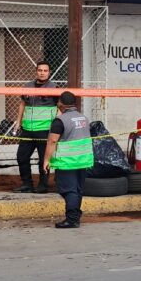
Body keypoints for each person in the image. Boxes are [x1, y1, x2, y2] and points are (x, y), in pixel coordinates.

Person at [43, 91, 94, 228]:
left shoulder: (60, 121)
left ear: (61, 103)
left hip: (67, 162)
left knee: (68, 190)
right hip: (83, 160)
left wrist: (46, 160)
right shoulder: (83, 118)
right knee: (77, 190)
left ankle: (72, 219)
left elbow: (52, 141)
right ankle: (75, 214)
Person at [12, 61, 59, 193]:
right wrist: (18, 121)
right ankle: (27, 184)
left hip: (45, 130)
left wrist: (57, 127)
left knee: (44, 159)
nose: (42, 73)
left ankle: (43, 185)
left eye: (45, 71)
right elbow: (22, 104)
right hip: (27, 130)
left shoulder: (54, 88)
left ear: (49, 73)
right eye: (40, 70)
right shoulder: (27, 86)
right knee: (22, 157)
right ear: (36, 71)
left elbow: (60, 107)